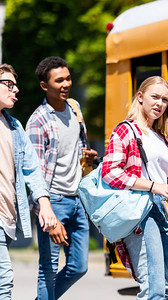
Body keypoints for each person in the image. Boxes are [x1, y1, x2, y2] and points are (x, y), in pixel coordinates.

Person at [101, 76, 168, 300]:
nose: (160, 104)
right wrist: (155, 187)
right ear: (140, 97)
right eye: (155, 97)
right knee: (154, 290)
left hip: (164, 211)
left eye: (165, 100)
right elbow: (110, 172)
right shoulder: (125, 130)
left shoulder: (160, 137)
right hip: (140, 212)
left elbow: (160, 177)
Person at [26, 56, 98, 300]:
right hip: (53, 201)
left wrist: (87, 156)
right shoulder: (38, 121)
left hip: (78, 199)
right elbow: (33, 172)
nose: (66, 84)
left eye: (68, 78)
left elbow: (75, 147)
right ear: (45, 86)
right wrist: (47, 214)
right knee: (48, 267)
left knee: (79, 266)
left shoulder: (75, 107)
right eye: (59, 81)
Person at [0, 63, 61, 299]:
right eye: (8, 84)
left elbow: (33, 169)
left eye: (16, 85)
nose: (16, 90)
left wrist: (44, 204)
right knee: (4, 281)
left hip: (7, 218)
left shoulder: (15, 127)